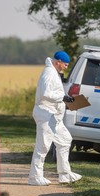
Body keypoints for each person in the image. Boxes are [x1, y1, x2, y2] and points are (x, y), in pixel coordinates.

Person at [28, 51, 82, 186]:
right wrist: (63, 98)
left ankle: (65, 174)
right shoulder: (49, 73)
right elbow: (45, 93)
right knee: (43, 146)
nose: (66, 67)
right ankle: (34, 177)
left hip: (54, 116)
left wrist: (67, 103)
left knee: (65, 140)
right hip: (45, 114)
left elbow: (54, 94)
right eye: (65, 64)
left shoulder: (54, 73)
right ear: (58, 61)